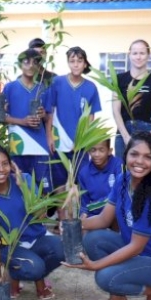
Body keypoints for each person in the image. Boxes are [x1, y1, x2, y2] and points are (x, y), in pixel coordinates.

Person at [64, 132, 151, 300]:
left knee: (105, 277)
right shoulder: (123, 180)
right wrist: (73, 224)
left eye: (148, 157)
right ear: (125, 155)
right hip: (139, 255)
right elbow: (104, 219)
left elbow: (136, 246)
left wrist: (95, 265)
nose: (140, 161)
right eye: (134, 154)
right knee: (93, 240)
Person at [0, 145, 63, 300]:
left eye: (5, 163)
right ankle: (17, 277)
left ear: (11, 165)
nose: (1, 169)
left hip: (36, 238)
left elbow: (41, 215)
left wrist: (23, 187)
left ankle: (33, 276)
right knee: (35, 267)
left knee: (61, 251)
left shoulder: (24, 179)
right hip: (10, 247)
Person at [48, 46, 102, 194]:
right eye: (72, 61)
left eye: (79, 61)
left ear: (85, 64)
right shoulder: (57, 82)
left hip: (80, 144)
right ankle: (61, 215)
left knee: (80, 180)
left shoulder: (91, 87)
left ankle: (79, 214)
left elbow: (91, 118)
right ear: (68, 63)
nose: (76, 64)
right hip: (59, 140)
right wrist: (49, 136)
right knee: (59, 182)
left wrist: (83, 141)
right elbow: (50, 112)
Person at [2, 48, 53, 192]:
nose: (30, 66)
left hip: (39, 145)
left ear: (39, 67)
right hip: (18, 144)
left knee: (42, 188)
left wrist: (49, 136)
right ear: (20, 64)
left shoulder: (43, 88)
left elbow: (49, 117)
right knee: (18, 184)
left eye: (35, 63)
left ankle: (42, 215)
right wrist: (22, 121)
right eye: (26, 62)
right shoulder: (9, 87)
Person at [112, 39, 151, 156]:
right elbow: (115, 110)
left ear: (148, 55)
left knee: (149, 171)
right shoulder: (119, 79)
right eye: (135, 53)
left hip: (149, 130)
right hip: (124, 131)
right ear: (129, 55)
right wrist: (125, 136)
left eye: (142, 53)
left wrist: (150, 137)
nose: (138, 57)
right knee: (122, 171)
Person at [77, 137, 123, 219]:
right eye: (93, 150)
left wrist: (91, 208)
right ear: (88, 151)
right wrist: (84, 214)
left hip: (116, 212)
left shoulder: (119, 165)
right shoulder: (83, 173)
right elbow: (84, 204)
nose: (97, 154)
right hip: (95, 216)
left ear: (109, 151)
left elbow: (119, 195)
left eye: (101, 150)